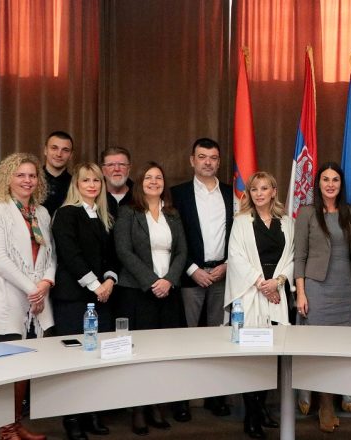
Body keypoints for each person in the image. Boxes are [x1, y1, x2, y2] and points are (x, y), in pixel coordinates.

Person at [0, 153, 54, 440]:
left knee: (26, 366)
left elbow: (51, 255)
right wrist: (33, 289)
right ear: (7, 179)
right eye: (20, 175)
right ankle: (6, 430)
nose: (27, 180)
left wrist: (46, 282)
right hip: (8, 297)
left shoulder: (41, 213)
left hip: (37, 299)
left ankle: (16, 424)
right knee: (8, 366)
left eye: (32, 175)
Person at [114, 162, 187, 436]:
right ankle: (138, 409)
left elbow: (182, 251)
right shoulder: (128, 213)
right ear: (140, 182)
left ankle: (157, 405)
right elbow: (124, 251)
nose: (154, 182)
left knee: (163, 353)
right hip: (137, 292)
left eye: (158, 178)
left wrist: (169, 280)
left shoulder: (173, 214)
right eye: (148, 177)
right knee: (140, 353)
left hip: (169, 292)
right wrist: (152, 282)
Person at [293, 162, 351, 433]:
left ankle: (340, 390)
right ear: (318, 183)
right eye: (325, 179)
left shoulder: (350, 212)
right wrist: (301, 293)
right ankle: (325, 404)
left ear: (341, 184)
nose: (330, 184)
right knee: (318, 346)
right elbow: (299, 256)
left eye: (335, 179)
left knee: (342, 346)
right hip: (317, 289)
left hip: (345, 289)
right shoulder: (307, 213)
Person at [52, 162, 118, 439]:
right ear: (76, 185)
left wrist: (110, 280)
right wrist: (95, 285)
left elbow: (111, 256)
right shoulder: (67, 213)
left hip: (102, 297)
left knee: (97, 358)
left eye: (96, 181)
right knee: (73, 361)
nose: (92, 185)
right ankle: (72, 418)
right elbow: (70, 254)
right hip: (74, 298)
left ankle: (92, 413)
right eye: (86, 180)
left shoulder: (103, 216)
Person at [225, 171, 294, 439]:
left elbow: (292, 256)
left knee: (270, 355)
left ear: (274, 191)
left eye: (265, 188)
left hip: (277, 292)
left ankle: (262, 408)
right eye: (254, 189)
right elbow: (236, 257)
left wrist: (277, 282)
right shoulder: (241, 222)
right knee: (251, 355)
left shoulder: (286, 222)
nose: (259, 193)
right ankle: (251, 416)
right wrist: (261, 284)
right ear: (249, 193)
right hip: (251, 293)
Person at [170, 138, 234, 421]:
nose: (208, 162)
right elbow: (172, 237)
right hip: (190, 277)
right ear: (192, 160)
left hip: (223, 275)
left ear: (219, 162)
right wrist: (192, 269)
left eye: (213, 157)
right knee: (186, 340)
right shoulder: (177, 194)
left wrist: (227, 265)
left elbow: (239, 235)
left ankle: (215, 397)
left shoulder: (232, 194)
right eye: (202, 156)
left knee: (219, 340)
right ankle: (181, 400)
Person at [42, 131, 74, 215]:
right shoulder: (31, 180)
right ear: (45, 150)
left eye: (65, 150)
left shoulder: (75, 184)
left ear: (71, 155)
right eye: (54, 148)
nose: (59, 154)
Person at [101, 146, 133, 219]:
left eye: (122, 164)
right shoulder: (94, 196)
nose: (117, 169)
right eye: (111, 165)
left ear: (128, 169)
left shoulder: (140, 196)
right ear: (103, 170)